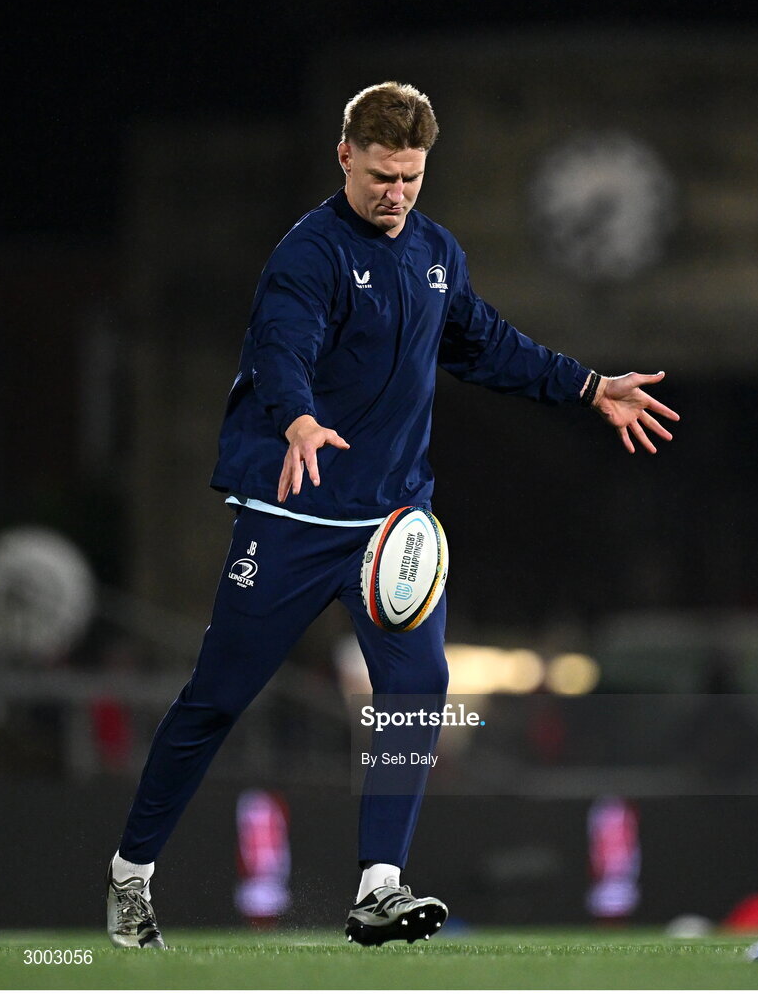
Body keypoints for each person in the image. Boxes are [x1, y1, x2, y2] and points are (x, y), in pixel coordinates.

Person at [106, 81, 679, 950]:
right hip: (293, 515)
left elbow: (486, 344)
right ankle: (131, 878)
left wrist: (590, 387)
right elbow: (279, 347)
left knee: (417, 692)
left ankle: (379, 887)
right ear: (345, 157)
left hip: (391, 531)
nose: (395, 193)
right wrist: (298, 417)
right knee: (215, 702)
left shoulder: (435, 253)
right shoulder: (308, 254)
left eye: (410, 176)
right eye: (380, 175)